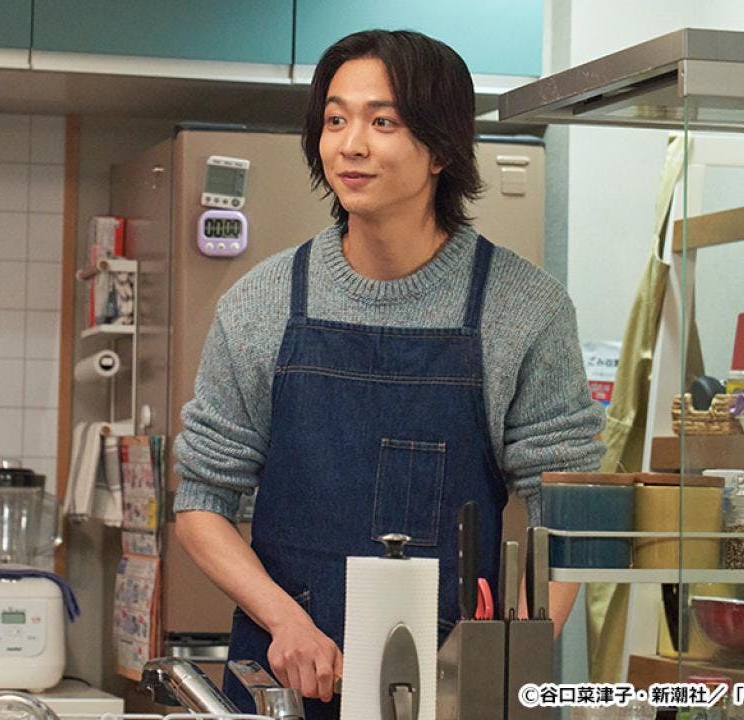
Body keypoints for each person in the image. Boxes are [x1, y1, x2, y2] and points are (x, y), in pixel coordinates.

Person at [173, 29, 604, 719]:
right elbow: (200, 502)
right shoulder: (260, 304)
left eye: (383, 122)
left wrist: (503, 665)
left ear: (441, 148)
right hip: (286, 684)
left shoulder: (525, 309)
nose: (351, 144)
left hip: (453, 690)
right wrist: (286, 622)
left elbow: (571, 516)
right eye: (335, 120)